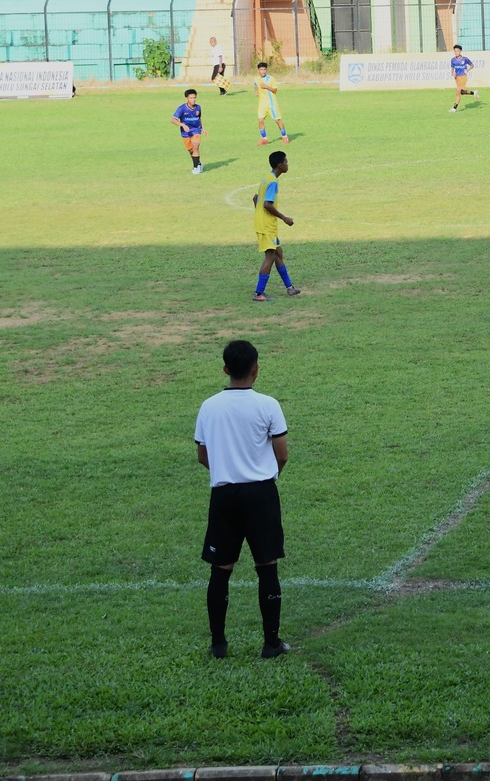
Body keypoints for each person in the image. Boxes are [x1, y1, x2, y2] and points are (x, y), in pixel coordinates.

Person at [194, 338, 292, 659]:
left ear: (225, 369)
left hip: (224, 495)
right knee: (267, 567)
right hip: (261, 493)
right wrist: (267, 474)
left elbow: (202, 455)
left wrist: (225, 468)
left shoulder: (209, 406)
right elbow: (282, 455)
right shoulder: (268, 405)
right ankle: (271, 643)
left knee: (221, 569)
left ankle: (219, 644)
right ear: (256, 370)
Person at [252, 151, 300, 301]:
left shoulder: (266, 178)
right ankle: (258, 294)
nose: (287, 164)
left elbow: (255, 198)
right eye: (286, 162)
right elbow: (267, 204)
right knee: (271, 256)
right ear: (280, 165)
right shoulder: (272, 182)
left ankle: (290, 288)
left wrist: (260, 216)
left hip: (265, 224)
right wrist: (284, 218)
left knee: (278, 253)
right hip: (267, 226)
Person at [252, 61, 289, 146]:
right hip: (262, 104)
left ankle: (285, 136)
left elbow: (275, 90)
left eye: (265, 69)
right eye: (261, 69)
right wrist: (256, 91)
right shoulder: (256, 79)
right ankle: (264, 139)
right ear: (258, 70)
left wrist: (267, 87)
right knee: (260, 120)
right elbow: (255, 85)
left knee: (277, 120)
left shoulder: (271, 79)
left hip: (271, 103)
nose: (263, 71)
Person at [172, 87, 206, 175]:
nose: (193, 100)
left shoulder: (198, 107)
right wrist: (182, 125)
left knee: (196, 147)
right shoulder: (182, 109)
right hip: (185, 133)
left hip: (196, 130)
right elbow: (173, 120)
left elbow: (199, 118)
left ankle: (195, 169)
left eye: (194, 97)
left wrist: (203, 128)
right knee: (191, 151)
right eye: (191, 98)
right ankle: (198, 163)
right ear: (186, 98)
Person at [448, 44, 476, 113]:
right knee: (462, 92)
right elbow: (452, 68)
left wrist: (468, 70)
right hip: (457, 78)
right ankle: (473, 93)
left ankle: (454, 108)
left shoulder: (464, 59)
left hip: (463, 77)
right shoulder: (453, 60)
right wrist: (453, 73)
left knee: (458, 91)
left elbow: (472, 65)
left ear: (460, 51)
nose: (456, 52)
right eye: (455, 51)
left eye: (457, 51)